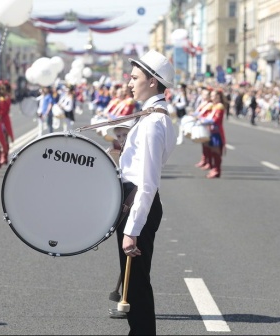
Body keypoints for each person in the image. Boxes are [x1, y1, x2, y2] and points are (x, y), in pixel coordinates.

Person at [114, 50, 176, 335]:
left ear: (153, 81)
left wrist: (132, 229)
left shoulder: (153, 123)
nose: (129, 83)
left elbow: (148, 183)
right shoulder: (153, 115)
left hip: (137, 205)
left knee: (137, 286)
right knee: (133, 284)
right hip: (134, 202)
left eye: (135, 77)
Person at [198, 90, 227, 178]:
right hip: (211, 130)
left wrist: (203, 121)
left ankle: (217, 170)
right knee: (212, 151)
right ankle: (214, 168)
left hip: (217, 132)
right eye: (212, 96)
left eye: (214, 96)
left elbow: (215, 120)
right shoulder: (213, 106)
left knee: (216, 152)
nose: (212, 97)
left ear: (218, 97)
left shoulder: (219, 106)